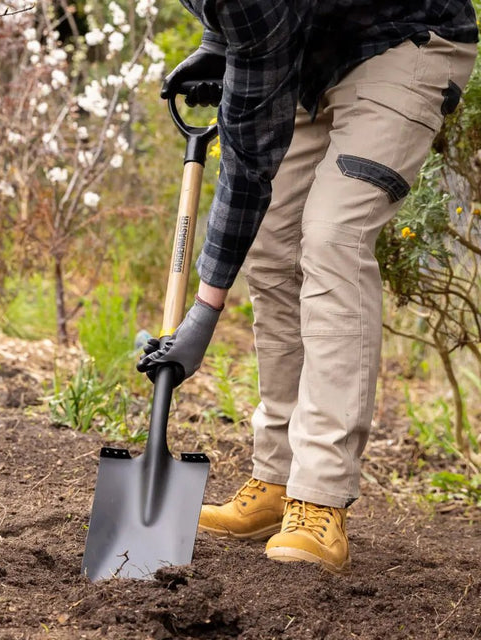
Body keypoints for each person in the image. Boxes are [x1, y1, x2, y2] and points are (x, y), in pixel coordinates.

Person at [138, 1, 478, 572]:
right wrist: (217, 43)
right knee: (272, 248)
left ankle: (319, 497)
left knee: (332, 236)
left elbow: (247, 165)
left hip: (404, 39)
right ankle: (276, 478)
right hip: (308, 56)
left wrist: (203, 312)